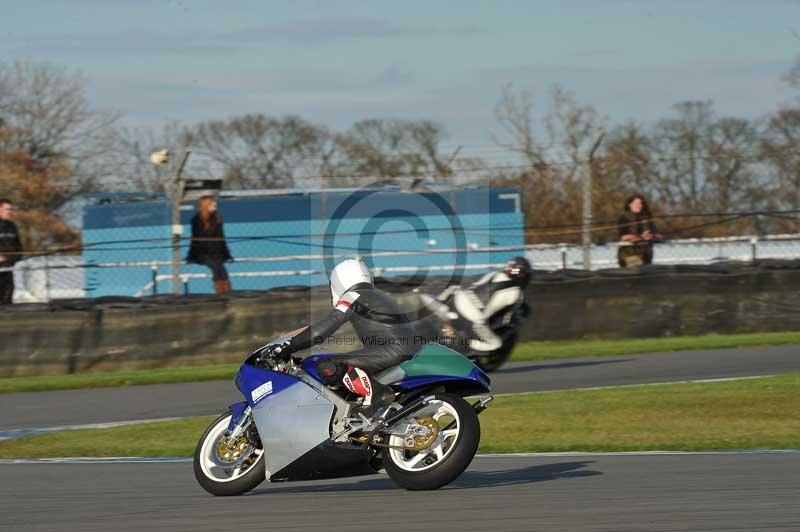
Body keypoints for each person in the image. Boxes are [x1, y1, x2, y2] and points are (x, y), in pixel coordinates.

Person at [280, 258, 418, 416]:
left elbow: (329, 324)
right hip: (406, 348)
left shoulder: (353, 295)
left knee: (329, 365)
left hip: (393, 349)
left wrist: (292, 345)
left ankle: (377, 393)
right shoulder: (379, 296)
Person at [421, 256, 532, 353]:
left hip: (456, 301)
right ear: (523, 275)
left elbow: (474, 286)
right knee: (495, 344)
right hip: (471, 319)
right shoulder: (517, 294)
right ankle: (463, 344)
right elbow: (506, 319)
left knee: (453, 289)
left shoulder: (493, 274)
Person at [186, 195, 233, 294]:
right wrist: (191, 256)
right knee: (216, 267)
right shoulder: (196, 220)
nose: (215, 205)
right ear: (206, 205)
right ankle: (221, 293)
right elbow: (197, 239)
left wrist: (227, 254)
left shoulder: (217, 217)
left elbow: (221, 238)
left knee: (222, 270)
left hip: (216, 253)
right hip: (203, 253)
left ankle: (227, 292)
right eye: (212, 203)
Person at [617, 193, 662, 268]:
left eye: (640, 203)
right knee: (636, 272)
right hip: (630, 254)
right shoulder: (624, 217)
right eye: (636, 203)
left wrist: (653, 236)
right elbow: (623, 237)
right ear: (629, 204)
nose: (638, 205)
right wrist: (640, 237)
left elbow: (657, 234)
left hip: (646, 254)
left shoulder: (647, 217)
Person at [0, 199, 23, 305]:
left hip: (7, 269)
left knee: (7, 297)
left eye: (11, 209)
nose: (10, 212)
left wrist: (12, 258)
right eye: (7, 209)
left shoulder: (12, 226)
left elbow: (18, 247)